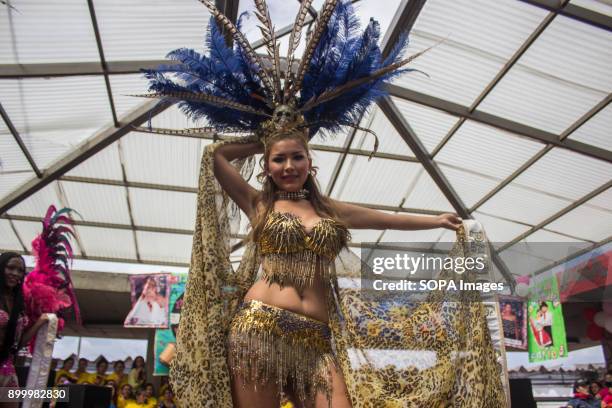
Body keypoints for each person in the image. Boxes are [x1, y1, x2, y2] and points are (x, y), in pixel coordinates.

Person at [151, 1, 509, 406]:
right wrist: (270, 136)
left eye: (296, 156)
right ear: (267, 167)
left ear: (310, 161)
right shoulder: (258, 204)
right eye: (279, 159)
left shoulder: (330, 211)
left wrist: (436, 221)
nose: (289, 165)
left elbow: (385, 219)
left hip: (316, 339)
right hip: (258, 329)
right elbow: (216, 157)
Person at [0, 252, 50, 394]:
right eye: (10, 268)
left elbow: (18, 344)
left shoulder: (18, 302)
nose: (15, 273)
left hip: (7, 369)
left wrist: (41, 321)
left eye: (20, 270)